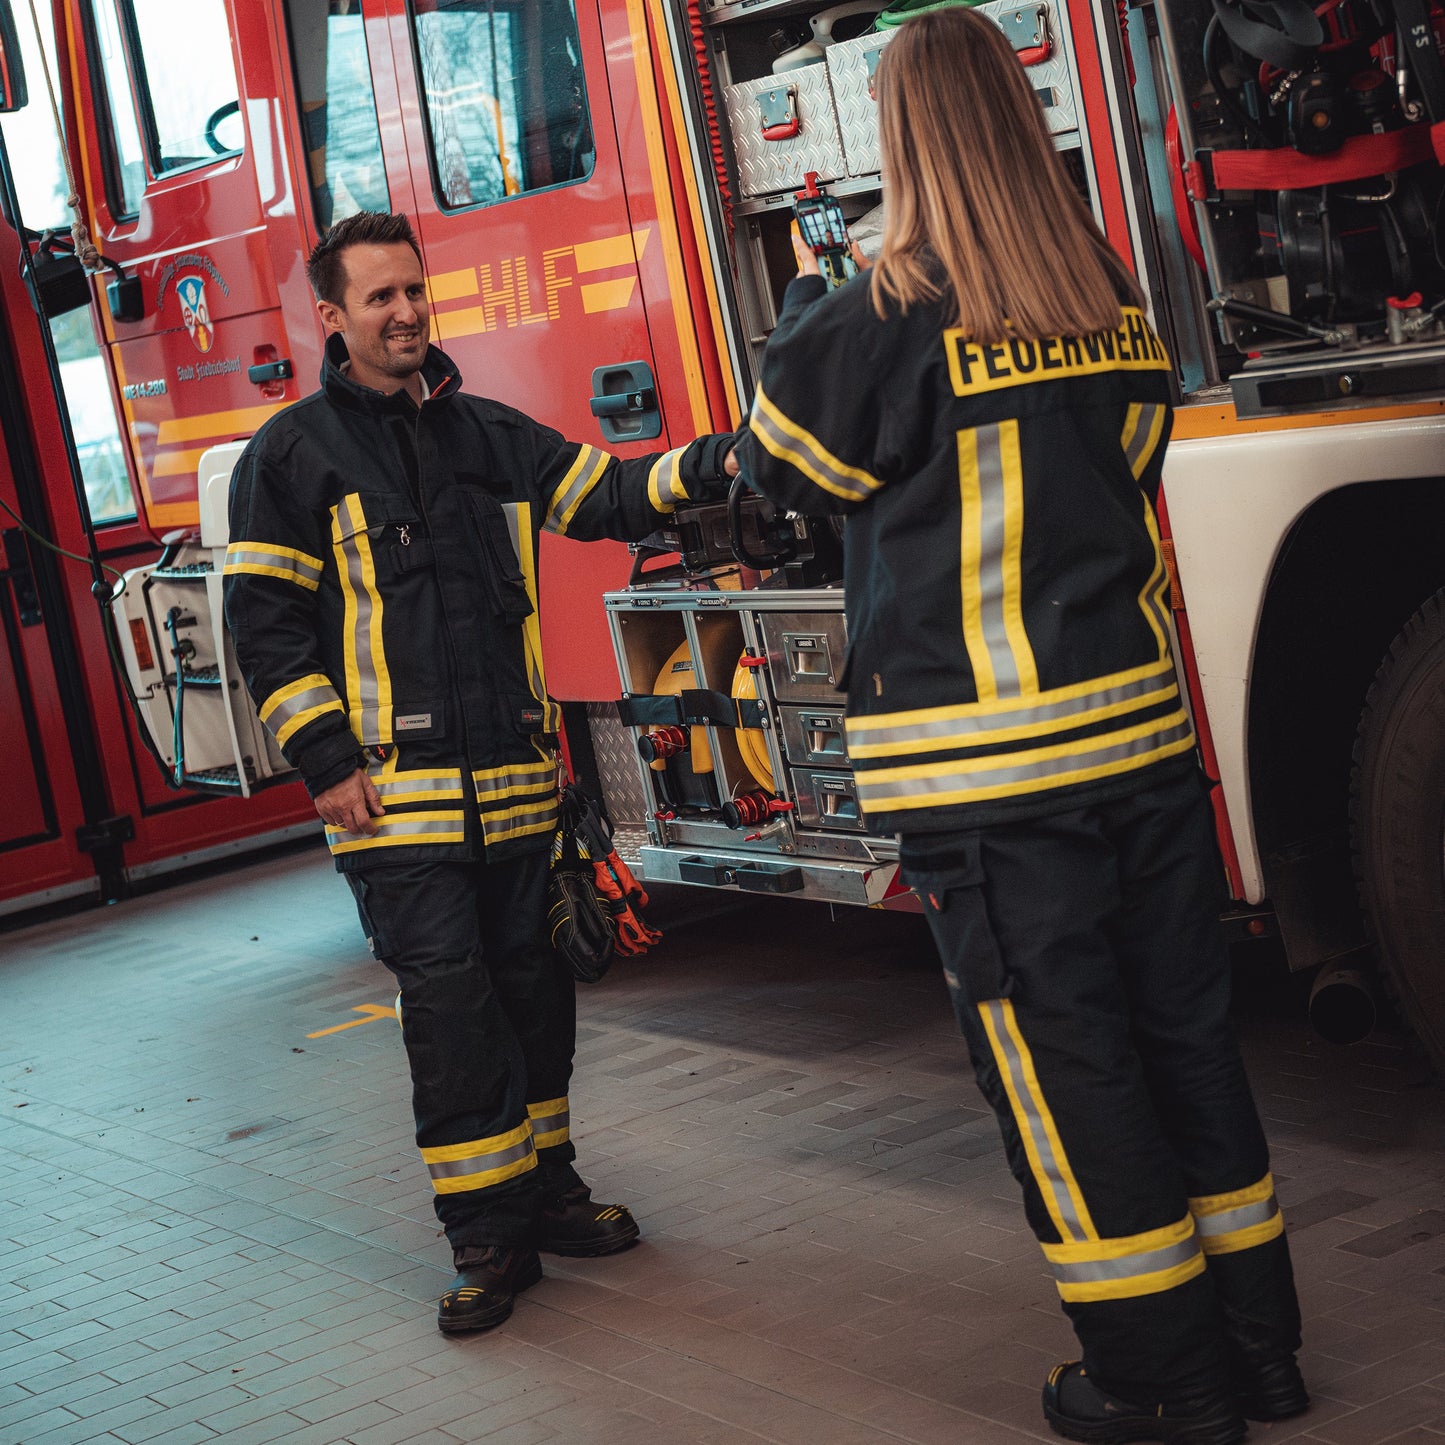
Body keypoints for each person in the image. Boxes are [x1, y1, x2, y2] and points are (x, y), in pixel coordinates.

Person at [736, 12, 1305, 1444]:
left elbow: (776, 477)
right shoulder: (1107, 290)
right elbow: (1130, 468)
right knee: (1184, 1038)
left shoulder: (871, 314)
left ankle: (1164, 1385)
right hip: (1140, 747)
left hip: (993, 786)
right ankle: (1261, 1352)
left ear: (902, 137)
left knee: (1066, 1076)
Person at [223, 210, 738, 1336]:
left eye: (413, 290)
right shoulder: (291, 456)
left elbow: (606, 495)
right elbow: (264, 629)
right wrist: (324, 761)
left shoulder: (482, 434)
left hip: (511, 793)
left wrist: (719, 459)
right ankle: (483, 1232)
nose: (404, 312)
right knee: (451, 1009)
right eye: (378, 298)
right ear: (331, 317)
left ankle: (546, 1189)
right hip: (391, 804)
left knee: (532, 993)